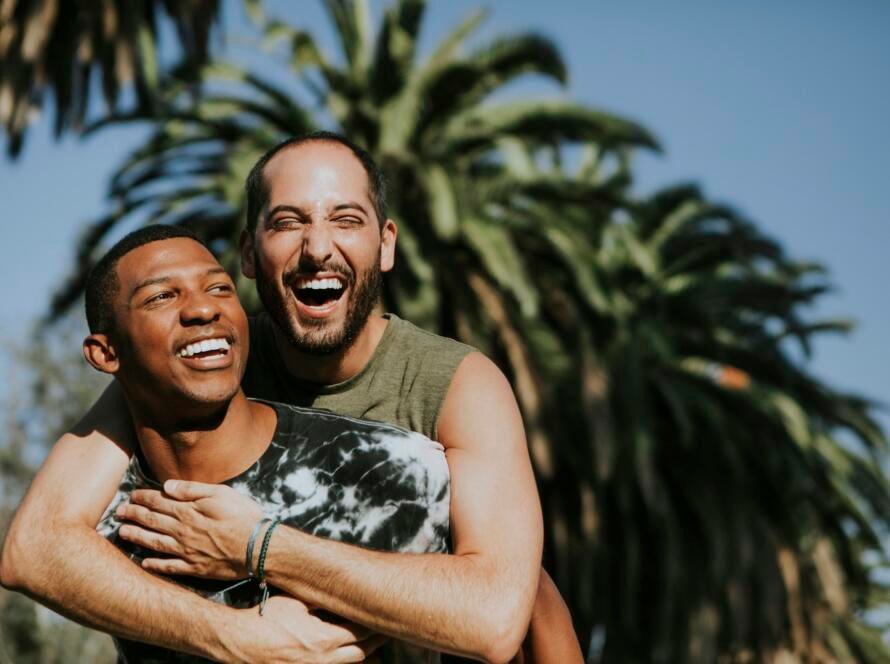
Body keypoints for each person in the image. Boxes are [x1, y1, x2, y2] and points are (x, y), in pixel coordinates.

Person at [1, 132, 583, 662]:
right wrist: (238, 637)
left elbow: (500, 611)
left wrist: (258, 546)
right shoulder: (210, 359)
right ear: (250, 253)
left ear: (385, 245)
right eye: (287, 222)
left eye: (346, 219)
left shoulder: (456, 385)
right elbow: (37, 546)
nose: (318, 249)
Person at [85, 225, 453, 662]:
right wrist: (235, 637)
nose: (203, 308)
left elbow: (522, 606)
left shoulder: (379, 468)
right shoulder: (104, 521)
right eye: (162, 296)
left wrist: (263, 548)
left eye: (220, 288)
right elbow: (28, 555)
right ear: (106, 354)